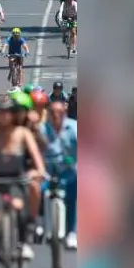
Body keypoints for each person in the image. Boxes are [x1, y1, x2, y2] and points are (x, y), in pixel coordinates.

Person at [0, 95, 47, 264]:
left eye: (7, 112)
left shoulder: (23, 133)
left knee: (19, 208)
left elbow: (35, 154)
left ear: (12, 114)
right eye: (0, 112)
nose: (3, 116)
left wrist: (38, 171)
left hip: (17, 180)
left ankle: (23, 243)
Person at [42, 101, 78, 250]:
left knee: (75, 195)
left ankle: (72, 233)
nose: (56, 115)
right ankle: (41, 225)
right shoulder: (42, 129)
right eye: (53, 112)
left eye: (59, 113)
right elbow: (35, 150)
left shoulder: (74, 128)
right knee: (37, 190)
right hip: (48, 172)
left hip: (70, 172)